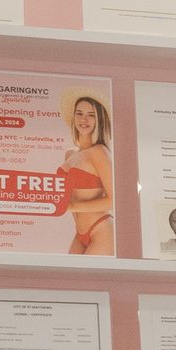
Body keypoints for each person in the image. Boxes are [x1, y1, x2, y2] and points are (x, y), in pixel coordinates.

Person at [60, 91, 114, 255]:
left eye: (91, 115)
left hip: (101, 229)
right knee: (67, 279)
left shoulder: (99, 152)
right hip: (79, 232)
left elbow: (114, 201)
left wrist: (71, 206)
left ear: (100, 120)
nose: (84, 119)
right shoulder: (70, 154)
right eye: (79, 113)